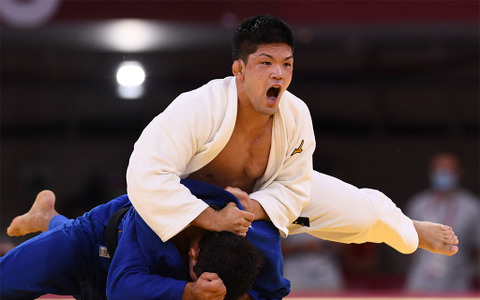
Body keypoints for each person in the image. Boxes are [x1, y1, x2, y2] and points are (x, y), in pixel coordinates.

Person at [126, 14, 458, 257]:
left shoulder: (295, 113)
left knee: (365, 213)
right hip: (198, 207)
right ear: (239, 70)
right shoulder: (198, 108)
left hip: (267, 201)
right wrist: (214, 218)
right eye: (265, 62)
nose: (278, 73)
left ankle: (407, 228)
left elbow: (294, 187)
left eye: (287, 64)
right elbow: (146, 173)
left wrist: (253, 208)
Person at [2, 179, 285, 300]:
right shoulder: (157, 214)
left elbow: (272, 293)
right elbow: (120, 287)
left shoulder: (260, 237)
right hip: (90, 248)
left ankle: (47, 218)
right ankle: (50, 221)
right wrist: (189, 292)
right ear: (194, 253)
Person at [405, 151, 480, 292]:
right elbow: (407, 247)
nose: (443, 172)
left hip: (457, 283)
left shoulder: (472, 207)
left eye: (448, 168)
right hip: (419, 283)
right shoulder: (417, 204)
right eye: (439, 168)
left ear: (459, 172)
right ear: (431, 171)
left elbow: (475, 248)